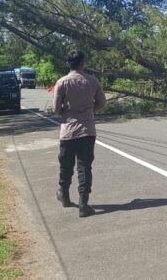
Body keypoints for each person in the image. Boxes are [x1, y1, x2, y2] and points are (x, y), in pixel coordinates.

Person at [52, 50, 106, 217]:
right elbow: (102, 102)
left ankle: (64, 195)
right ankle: (84, 203)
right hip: (87, 130)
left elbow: (55, 109)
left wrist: (66, 113)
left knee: (66, 165)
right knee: (84, 167)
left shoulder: (61, 82)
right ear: (83, 63)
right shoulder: (92, 81)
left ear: (68, 64)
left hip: (68, 131)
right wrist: (90, 112)